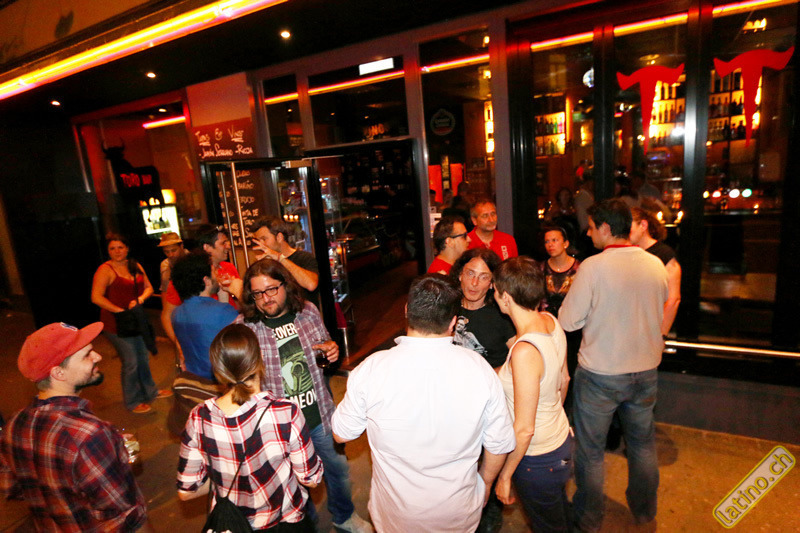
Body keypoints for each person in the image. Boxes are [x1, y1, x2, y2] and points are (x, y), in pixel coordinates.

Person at [331, 275, 515, 533]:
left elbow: (341, 434)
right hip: (458, 513)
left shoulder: (372, 368)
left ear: (407, 311)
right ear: (453, 323)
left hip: (395, 514)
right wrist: (484, 485)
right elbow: (499, 444)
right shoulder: (480, 369)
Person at [236, 259, 373, 533]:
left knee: (338, 471)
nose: (266, 298)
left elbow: (325, 346)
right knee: (294, 482)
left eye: (272, 289)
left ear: (285, 285)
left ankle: (344, 516)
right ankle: (306, 523)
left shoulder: (308, 312)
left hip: (319, 413)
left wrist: (332, 351)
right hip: (280, 428)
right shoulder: (245, 328)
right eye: (258, 293)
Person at [559, 199, 668, 531]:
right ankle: (645, 512)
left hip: (601, 374)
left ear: (606, 228)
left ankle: (589, 519)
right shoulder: (655, 264)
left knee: (591, 452)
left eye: (592, 227)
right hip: (646, 371)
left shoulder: (593, 267)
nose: (588, 233)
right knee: (642, 444)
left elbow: (568, 320)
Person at [0, 322, 148, 531]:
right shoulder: (90, 434)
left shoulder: (13, 424)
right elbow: (126, 516)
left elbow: (11, 487)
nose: (98, 356)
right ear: (59, 373)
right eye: (87, 355)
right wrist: (107, 456)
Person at [177, 324, 323, 531]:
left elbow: (186, 491)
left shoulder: (198, 417)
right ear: (260, 358)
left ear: (218, 371)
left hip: (233, 524)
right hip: (284, 522)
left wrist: (226, 479)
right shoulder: (285, 412)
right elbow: (311, 479)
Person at [493, 257, 573, 532]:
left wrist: (505, 475)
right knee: (559, 515)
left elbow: (525, 429)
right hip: (560, 440)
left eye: (495, 291)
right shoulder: (550, 322)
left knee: (548, 526)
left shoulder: (525, 351)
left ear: (506, 298)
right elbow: (564, 379)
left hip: (538, 459)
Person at [91, 234, 170, 413]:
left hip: (135, 319)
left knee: (142, 357)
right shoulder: (105, 270)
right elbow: (96, 297)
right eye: (112, 248)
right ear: (108, 251)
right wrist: (118, 310)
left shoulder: (135, 265)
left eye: (120, 247)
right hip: (115, 323)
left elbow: (149, 287)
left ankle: (150, 392)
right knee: (131, 361)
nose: (117, 251)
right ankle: (133, 401)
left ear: (127, 248)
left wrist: (140, 299)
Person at [171, 252, 239, 379]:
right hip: (219, 381)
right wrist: (240, 292)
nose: (217, 275)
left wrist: (222, 297)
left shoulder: (176, 313)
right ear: (206, 281)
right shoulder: (222, 312)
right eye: (213, 271)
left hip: (194, 380)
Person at [451, 248, 516, 370]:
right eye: (470, 273)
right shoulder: (447, 308)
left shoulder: (502, 314)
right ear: (460, 275)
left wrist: (491, 376)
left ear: (492, 283)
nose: (474, 283)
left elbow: (520, 359)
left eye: (483, 277)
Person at [541, 225, 582, 416]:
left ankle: (569, 412)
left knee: (571, 371)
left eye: (555, 240)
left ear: (566, 243)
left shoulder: (580, 268)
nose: (550, 244)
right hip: (547, 328)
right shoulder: (540, 268)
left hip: (573, 329)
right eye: (547, 241)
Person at [630, 207, 682, 335]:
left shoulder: (664, 254)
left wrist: (660, 334)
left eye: (628, 227)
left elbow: (673, 300)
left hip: (650, 329)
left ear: (643, 225)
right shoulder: (628, 253)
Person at [250, 215, 319, 305]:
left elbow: (311, 284)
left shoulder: (303, 257)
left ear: (279, 237)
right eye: (258, 241)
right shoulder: (265, 264)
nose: (261, 244)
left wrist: (280, 258)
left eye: (264, 239)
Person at [158, 232, 188, 364]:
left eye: (173, 250)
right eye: (167, 251)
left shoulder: (192, 259)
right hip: (177, 310)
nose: (170, 254)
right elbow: (165, 292)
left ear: (181, 246)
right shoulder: (165, 264)